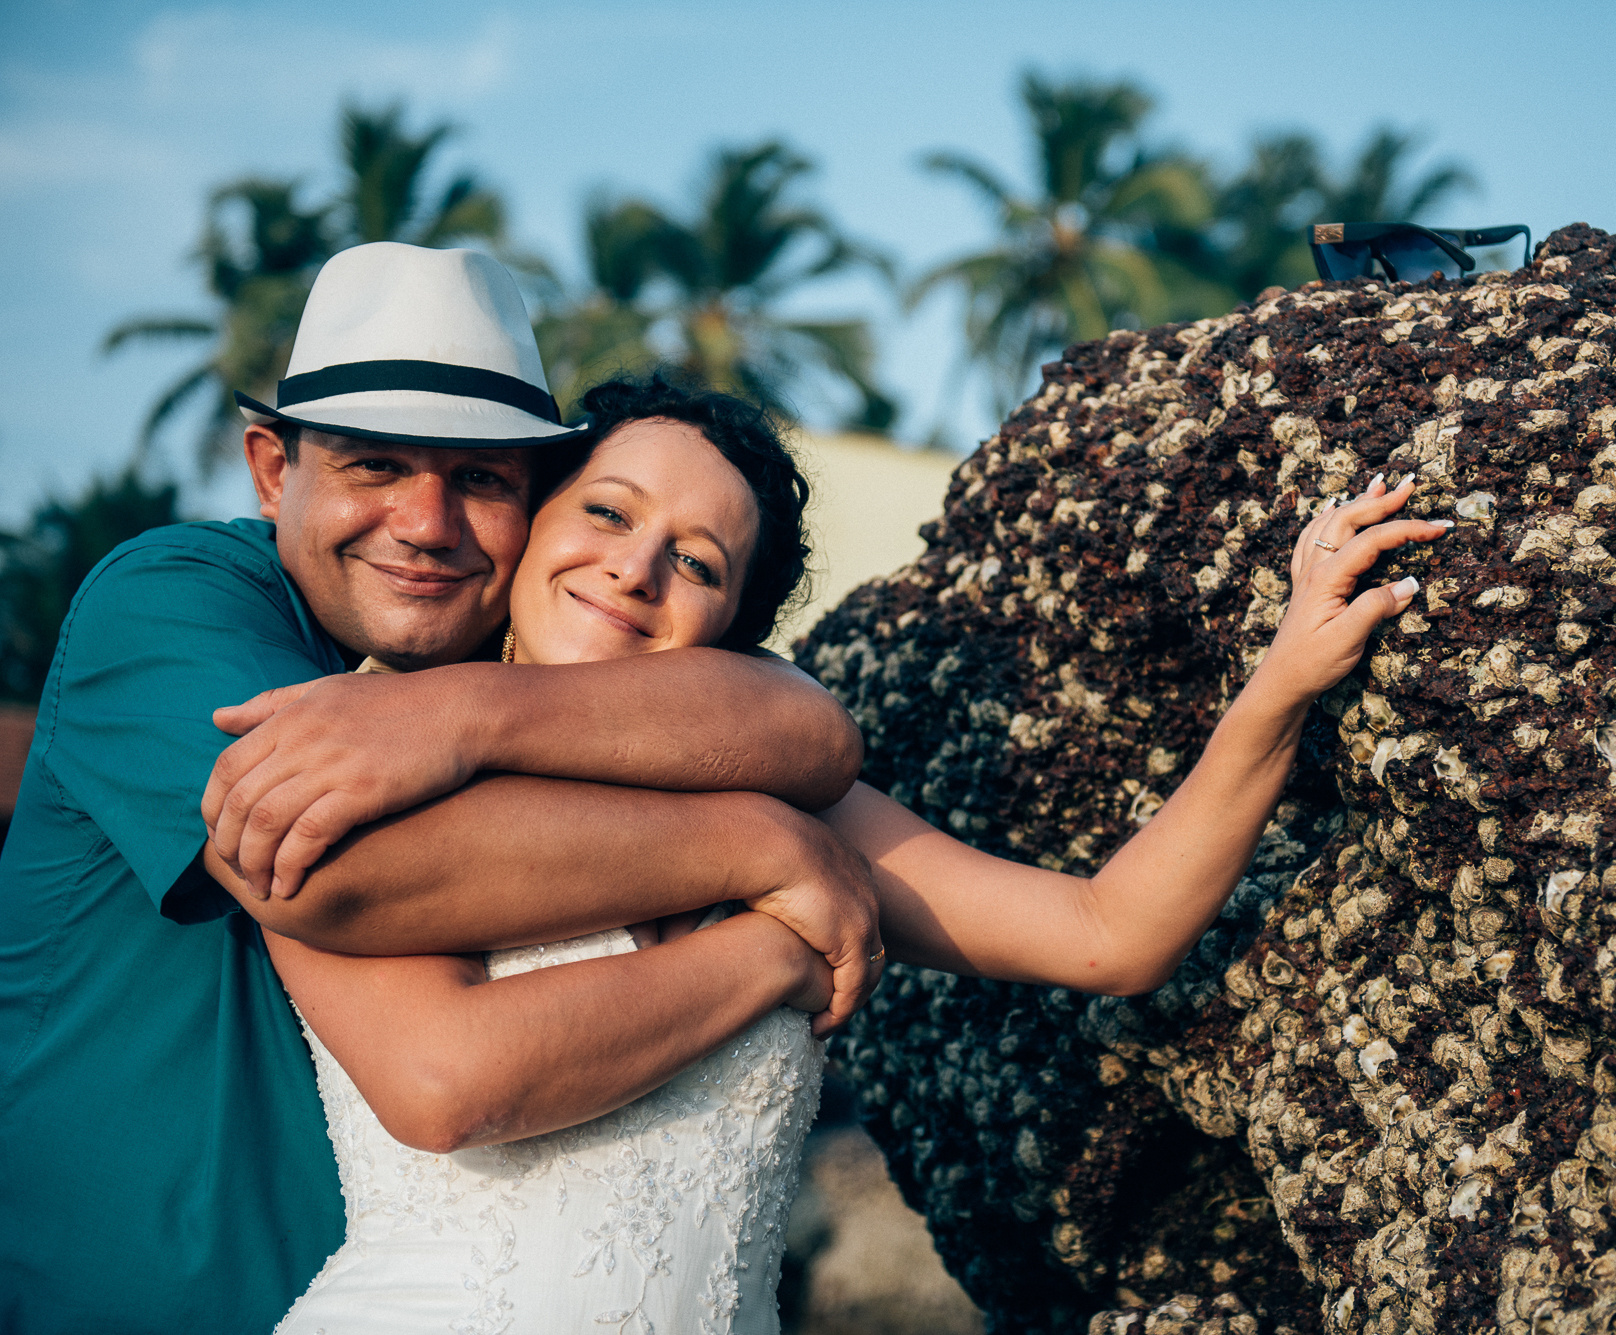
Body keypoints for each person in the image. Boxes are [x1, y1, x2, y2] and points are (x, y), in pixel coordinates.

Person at [235, 368, 1443, 1331]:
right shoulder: (363, 747)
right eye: (604, 511)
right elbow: (451, 1092)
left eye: (697, 561)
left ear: (732, 633)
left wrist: (1281, 682)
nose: (633, 565)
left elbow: (1108, 935)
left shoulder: (780, 782)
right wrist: (772, 955)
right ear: (534, 519)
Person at [0, 243, 880, 1335]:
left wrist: (463, 715)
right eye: (374, 465)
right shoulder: (177, 601)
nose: (426, 523)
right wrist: (770, 863)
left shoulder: (487, 671)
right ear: (273, 470)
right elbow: (338, 875)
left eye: (478, 479)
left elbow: (801, 724)